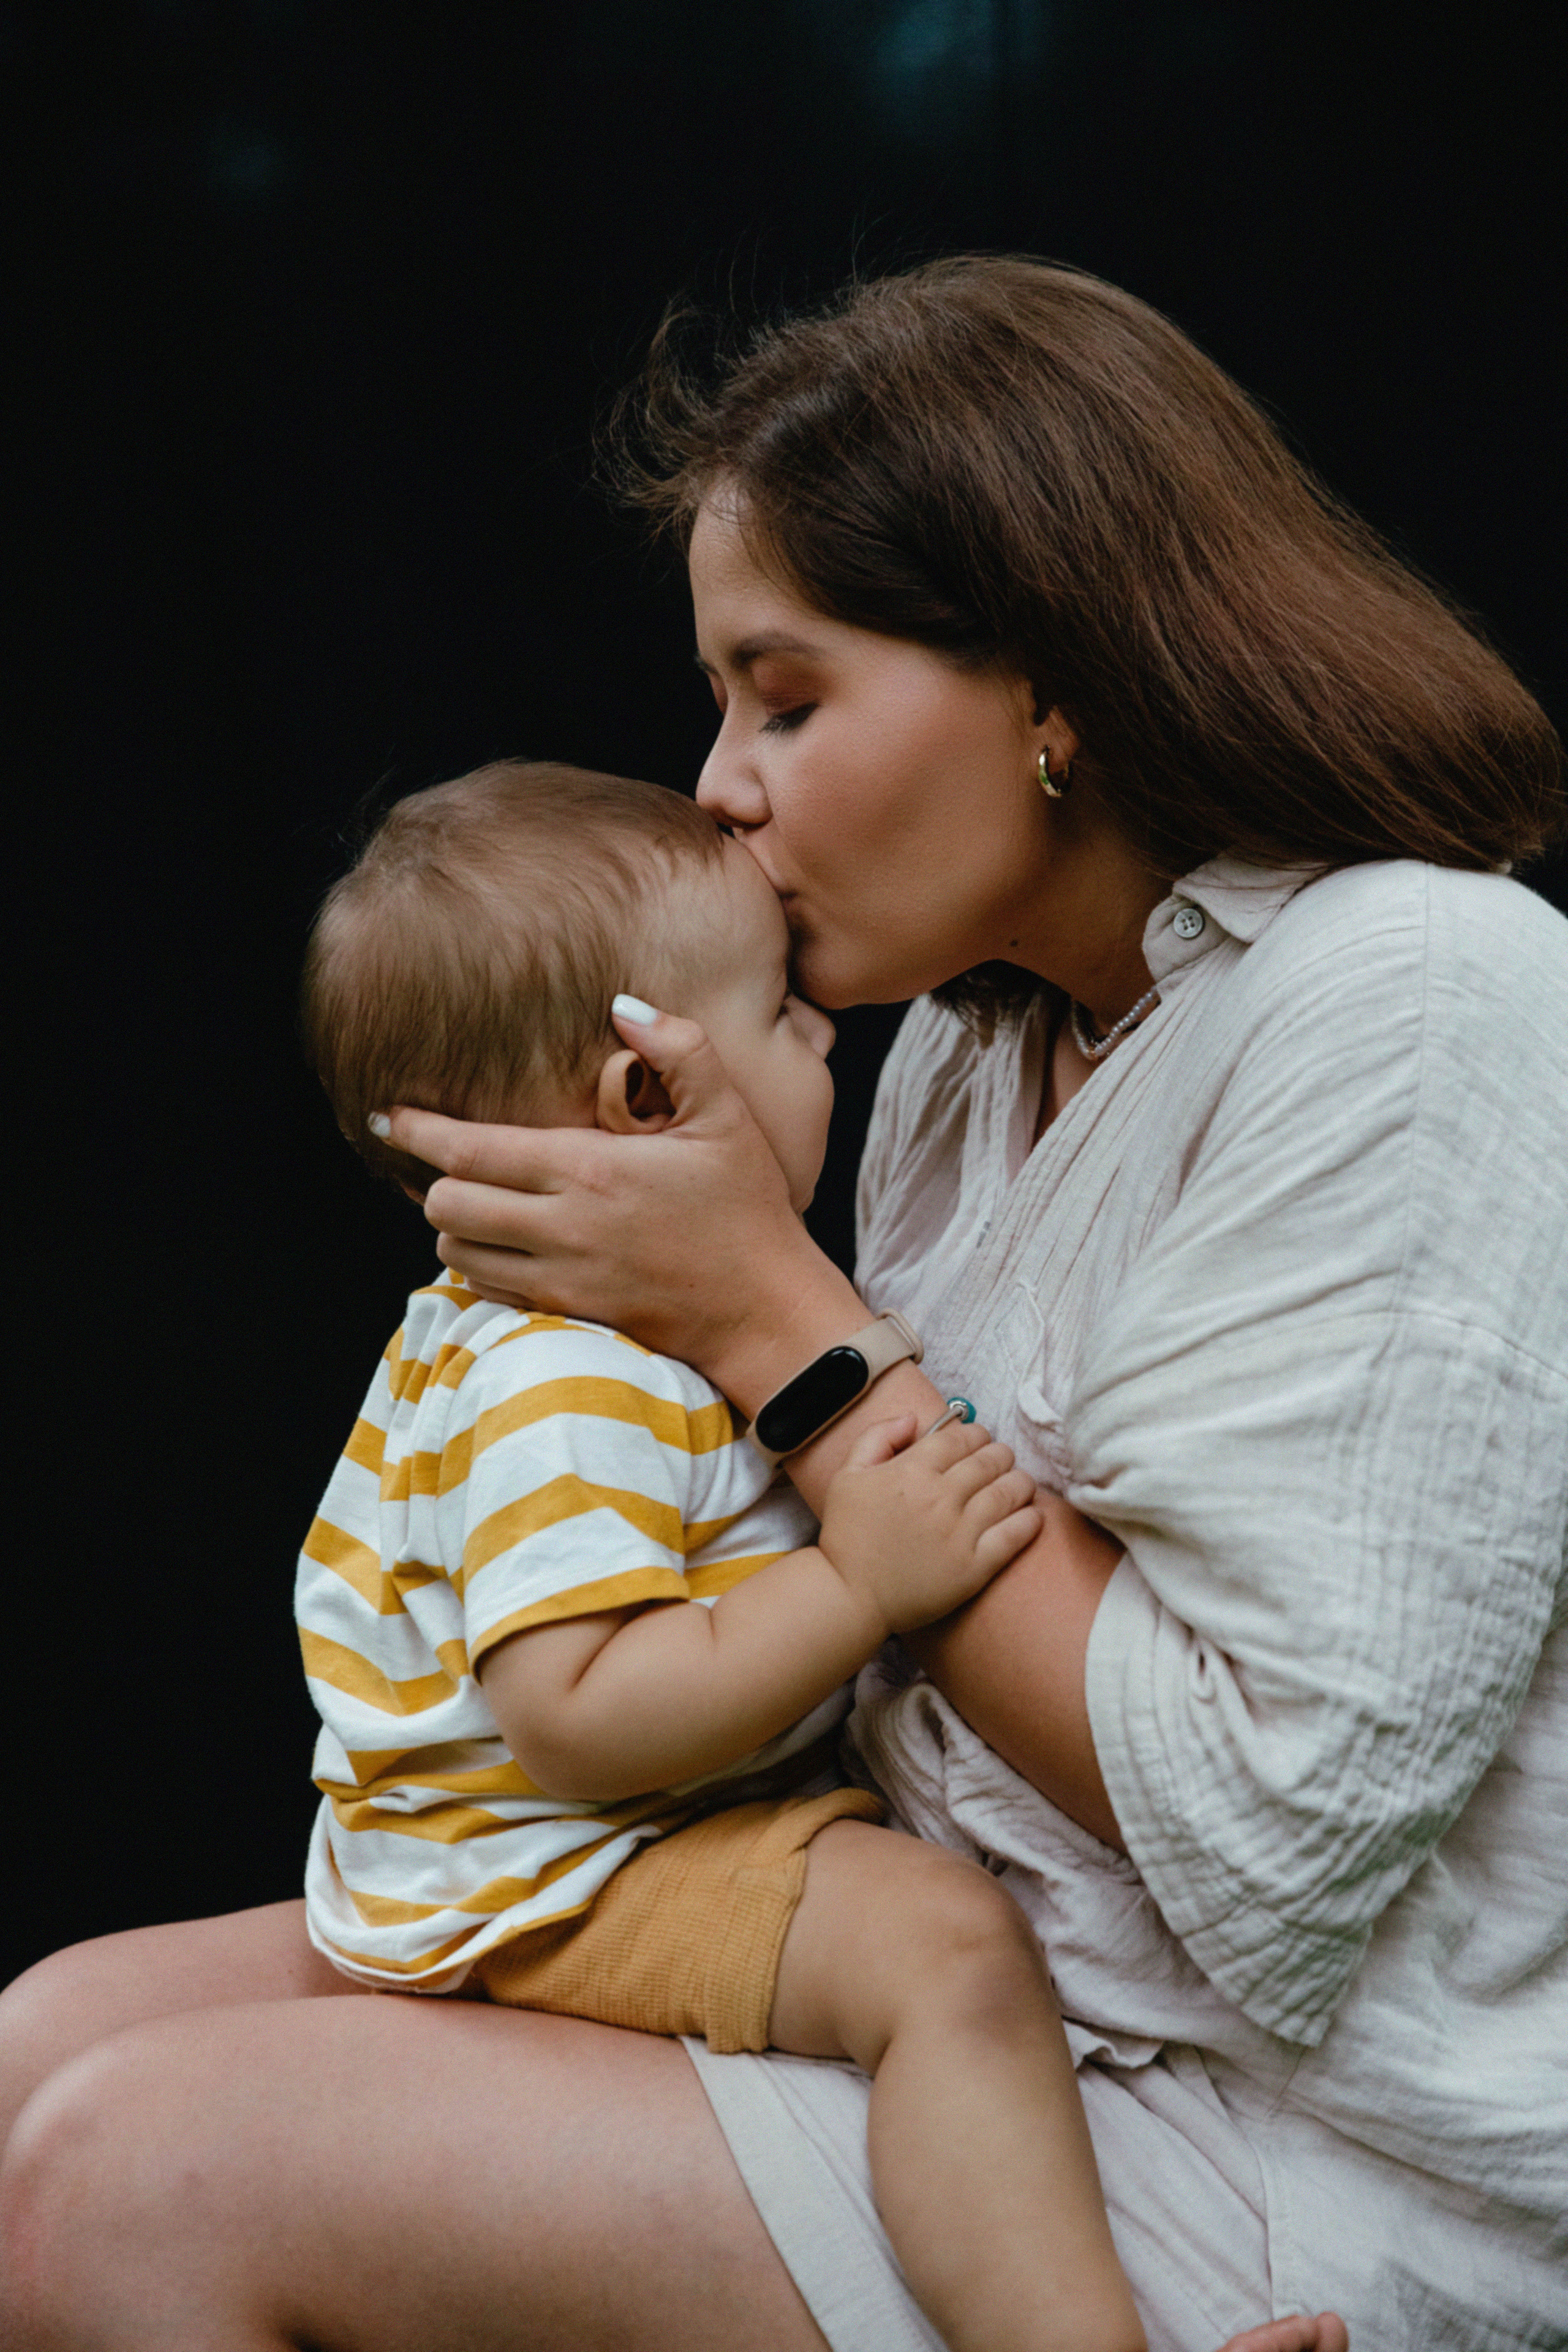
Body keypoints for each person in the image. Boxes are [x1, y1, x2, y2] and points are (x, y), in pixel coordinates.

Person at [5, 254, 1562, 2349]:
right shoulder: (963, 1051)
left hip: (1270, 2141)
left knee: (140, 2185)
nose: (721, 781)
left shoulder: (1422, 995)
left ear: (1051, 685)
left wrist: (776, 1326)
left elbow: (1274, 1839)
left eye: (788, 695)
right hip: (916, 1957)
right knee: (38, 2052)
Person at [293, 753, 1148, 2352]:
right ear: (650, 1096)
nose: (829, 1033)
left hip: (548, 1850)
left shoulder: (595, 1342)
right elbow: (578, 1712)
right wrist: (860, 1583)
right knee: (948, 1958)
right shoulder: (568, 1380)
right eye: (783, 1015)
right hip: (561, 1876)